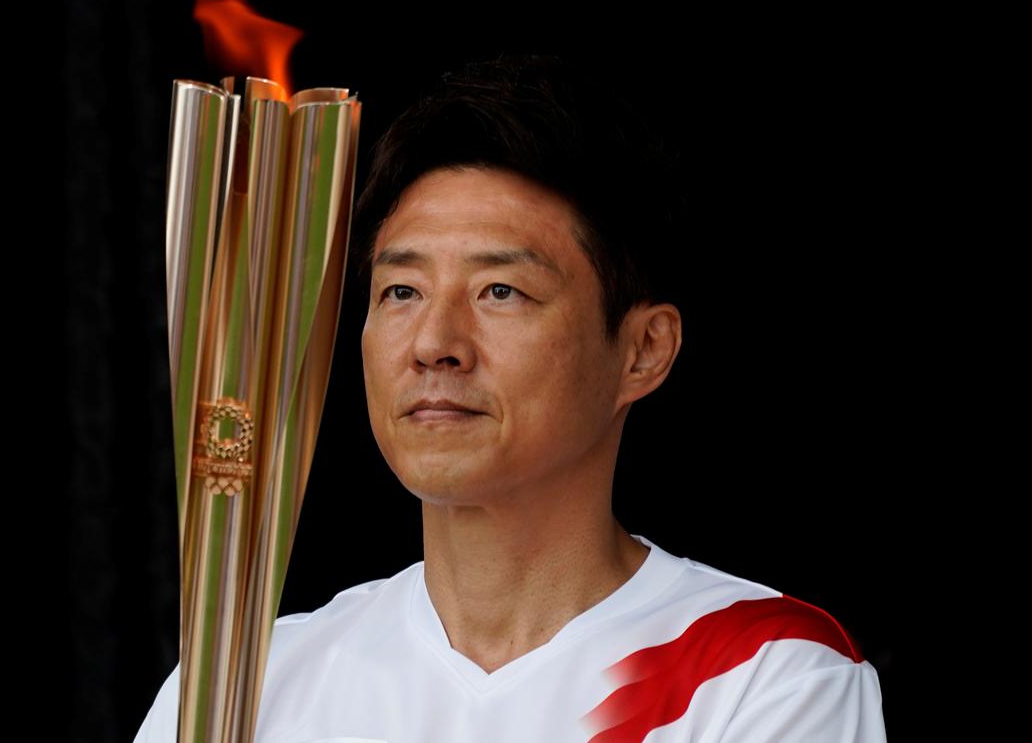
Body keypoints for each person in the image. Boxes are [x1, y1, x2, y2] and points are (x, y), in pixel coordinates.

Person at [134, 54, 887, 742]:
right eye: (400, 290)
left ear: (643, 349)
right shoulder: (244, 687)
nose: (434, 342)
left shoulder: (762, 674)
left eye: (501, 290)